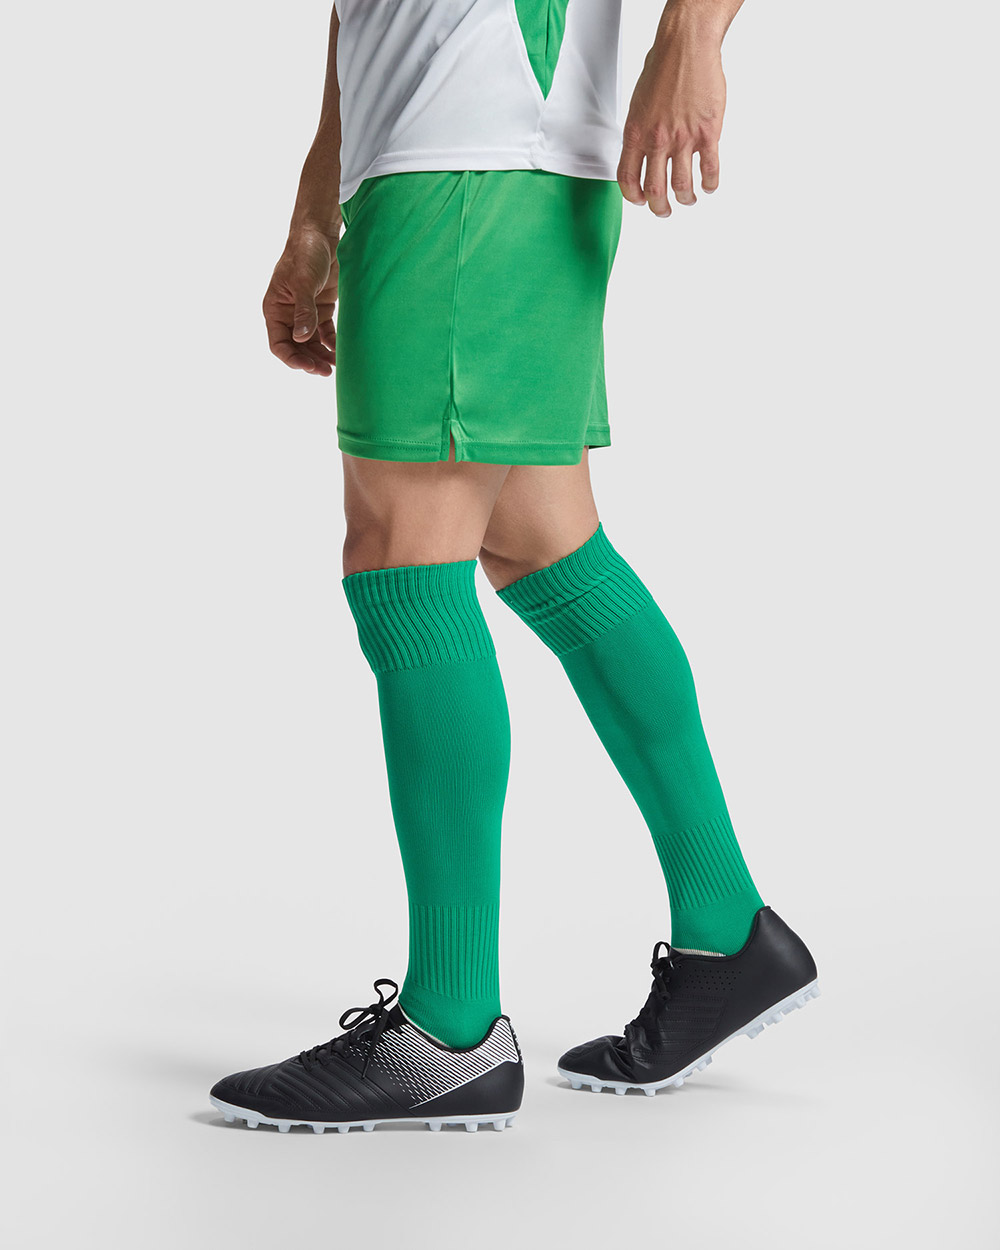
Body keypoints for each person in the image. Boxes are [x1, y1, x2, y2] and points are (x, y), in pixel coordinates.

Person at [209, 0, 818, 1136]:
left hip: (475, 148)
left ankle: (449, 1030)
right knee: (543, 543)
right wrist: (318, 199)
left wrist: (691, 33)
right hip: (452, 153)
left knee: (405, 560)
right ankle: (728, 930)